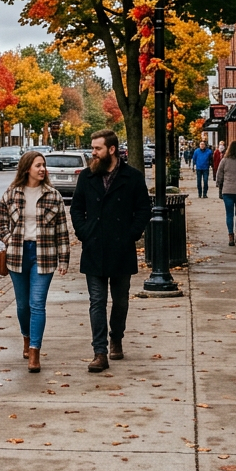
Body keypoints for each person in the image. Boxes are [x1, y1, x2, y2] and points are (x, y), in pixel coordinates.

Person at [70, 129, 151, 373]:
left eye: (97, 149)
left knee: (121, 300)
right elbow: (76, 209)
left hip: (121, 248)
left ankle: (117, 337)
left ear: (111, 150)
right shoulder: (87, 177)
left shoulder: (132, 177)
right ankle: (100, 351)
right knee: (97, 301)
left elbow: (143, 210)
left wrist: (131, 235)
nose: (92, 153)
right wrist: (85, 232)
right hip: (94, 247)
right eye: (93, 148)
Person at [0, 150, 70, 374]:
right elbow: (0, 220)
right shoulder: (12, 193)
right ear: (27, 168)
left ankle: (35, 351)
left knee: (37, 304)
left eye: (43, 165)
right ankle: (26, 337)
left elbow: (62, 231)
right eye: (38, 165)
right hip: (18, 254)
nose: (42, 169)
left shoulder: (52, 195)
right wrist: (9, 240)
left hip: (43, 255)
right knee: (22, 305)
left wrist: (63, 259)